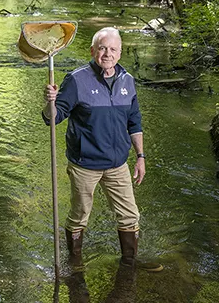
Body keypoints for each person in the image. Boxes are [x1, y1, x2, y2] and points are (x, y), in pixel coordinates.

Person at [42, 27, 162, 272]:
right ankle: (75, 263)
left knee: (130, 216)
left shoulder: (127, 80)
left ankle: (129, 263)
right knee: (79, 215)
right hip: (84, 164)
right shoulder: (76, 80)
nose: (107, 53)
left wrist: (140, 157)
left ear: (120, 52)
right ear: (93, 51)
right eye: (102, 48)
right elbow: (52, 119)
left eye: (113, 49)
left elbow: (134, 122)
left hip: (118, 164)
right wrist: (50, 102)